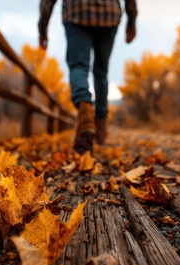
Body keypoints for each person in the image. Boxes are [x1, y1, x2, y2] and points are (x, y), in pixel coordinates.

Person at [38, 0, 137, 154]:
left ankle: (85, 116)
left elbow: (46, 2)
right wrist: (131, 20)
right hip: (108, 15)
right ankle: (100, 127)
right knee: (101, 73)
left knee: (78, 66)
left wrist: (43, 28)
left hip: (77, 12)